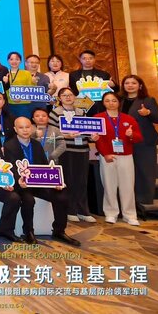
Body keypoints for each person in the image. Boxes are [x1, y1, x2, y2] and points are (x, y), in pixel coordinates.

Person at [5, 117, 81, 246]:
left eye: (27, 127)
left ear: (32, 128)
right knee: (28, 200)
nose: (25, 130)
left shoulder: (36, 144)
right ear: (15, 129)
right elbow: (11, 167)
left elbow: (45, 166)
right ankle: (28, 232)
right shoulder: (9, 145)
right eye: (21, 127)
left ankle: (59, 231)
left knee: (62, 196)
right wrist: (19, 179)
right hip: (22, 185)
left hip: (39, 183)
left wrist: (55, 182)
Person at [49, 87, 97, 223]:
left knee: (82, 181)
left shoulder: (81, 112)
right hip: (66, 150)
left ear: (75, 97)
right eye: (64, 95)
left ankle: (83, 210)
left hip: (82, 149)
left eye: (70, 95)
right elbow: (51, 134)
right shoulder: (55, 112)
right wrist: (66, 135)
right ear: (59, 98)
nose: (68, 97)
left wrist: (93, 137)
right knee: (68, 180)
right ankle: (70, 210)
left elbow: (88, 131)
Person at [94, 92, 143, 226]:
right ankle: (111, 213)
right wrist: (105, 154)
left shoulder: (128, 118)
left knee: (128, 186)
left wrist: (131, 135)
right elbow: (98, 139)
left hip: (126, 156)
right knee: (109, 185)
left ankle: (130, 215)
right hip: (107, 156)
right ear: (103, 103)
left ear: (119, 102)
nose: (111, 103)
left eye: (114, 100)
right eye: (107, 101)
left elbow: (139, 137)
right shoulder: (98, 118)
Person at [120, 74, 158, 209]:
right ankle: (129, 199)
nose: (130, 85)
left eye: (133, 83)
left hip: (144, 140)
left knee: (145, 169)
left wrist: (148, 112)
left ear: (140, 86)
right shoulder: (119, 101)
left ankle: (144, 198)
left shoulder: (148, 100)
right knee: (127, 170)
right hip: (124, 140)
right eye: (127, 83)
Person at [69, 50, 117, 115]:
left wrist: (113, 85)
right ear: (80, 60)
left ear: (94, 59)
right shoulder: (73, 75)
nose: (87, 60)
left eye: (90, 58)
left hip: (99, 105)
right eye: (84, 58)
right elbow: (72, 90)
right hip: (82, 104)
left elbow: (115, 90)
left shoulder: (103, 74)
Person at [4, 52, 34, 119]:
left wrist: (20, 97)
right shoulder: (5, 73)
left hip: (24, 104)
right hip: (9, 103)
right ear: (8, 61)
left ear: (20, 61)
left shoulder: (26, 73)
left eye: (17, 59)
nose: (14, 61)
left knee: (24, 122)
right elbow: (4, 89)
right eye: (11, 59)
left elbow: (31, 89)